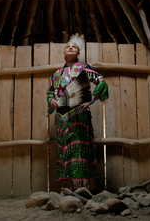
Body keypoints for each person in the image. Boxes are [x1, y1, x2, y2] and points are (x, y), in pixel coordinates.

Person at [46, 34, 109, 191]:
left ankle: (83, 191)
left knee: (79, 150)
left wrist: (93, 99)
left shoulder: (84, 68)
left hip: (79, 115)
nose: (70, 47)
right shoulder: (57, 74)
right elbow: (50, 92)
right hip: (61, 117)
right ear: (64, 52)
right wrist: (51, 100)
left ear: (78, 53)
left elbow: (101, 82)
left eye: (74, 47)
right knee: (66, 150)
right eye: (68, 46)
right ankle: (73, 191)